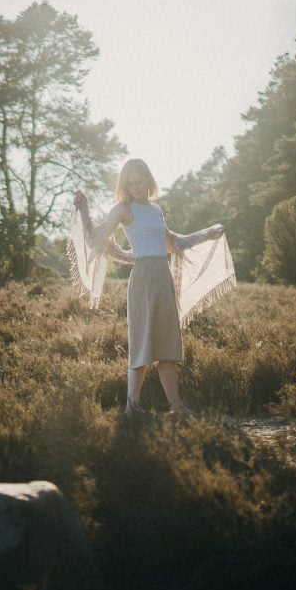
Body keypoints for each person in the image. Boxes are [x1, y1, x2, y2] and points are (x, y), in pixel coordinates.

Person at [73, 158, 226, 417]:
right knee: (142, 344)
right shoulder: (122, 209)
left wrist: (208, 233)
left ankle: (176, 407)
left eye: (139, 180)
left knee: (167, 346)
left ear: (148, 179)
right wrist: (84, 208)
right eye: (129, 182)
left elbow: (172, 243)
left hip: (163, 278)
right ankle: (131, 409)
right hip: (143, 279)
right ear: (124, 184)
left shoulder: (156, 211)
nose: (134, 186)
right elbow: (96, 240)